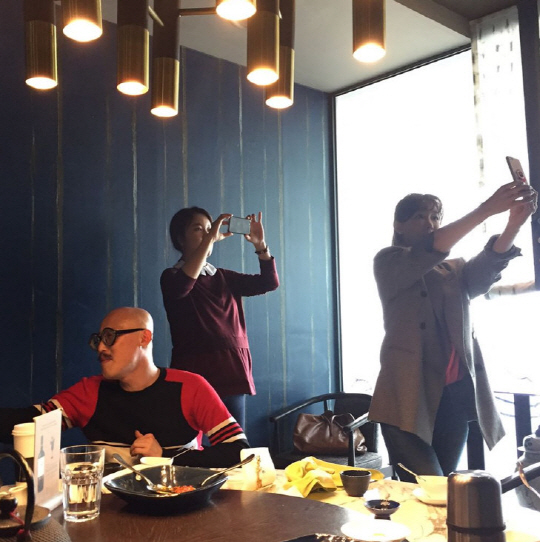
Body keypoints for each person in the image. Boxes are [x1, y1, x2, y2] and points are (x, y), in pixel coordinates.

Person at [368, 180, 538, 482]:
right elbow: (430, 248)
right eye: (419, 216)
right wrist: (487, 209)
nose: (430, 223)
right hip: (405, 395)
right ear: (399, 225)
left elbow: (485, 269)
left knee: (445, 487)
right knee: (427, 487)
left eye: (435, 217)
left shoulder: (452, 269)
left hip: (452, 395)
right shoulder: (388, 261)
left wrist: (514, 223)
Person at [0, 307, 249, 467]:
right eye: (98, 340)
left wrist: (164, 458)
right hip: (108, 513)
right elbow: (26, 424)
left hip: (180, 506)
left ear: (144, 337)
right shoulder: (89, 391)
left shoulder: (189, 387)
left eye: (110, 337)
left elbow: (238, 452)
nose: (101, 348)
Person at [160, 207, 279, 429]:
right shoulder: (171, 276)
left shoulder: (223, 277)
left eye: (210, 229)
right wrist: (209, 240)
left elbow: (269, 282)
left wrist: (260, 245)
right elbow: (183, 286)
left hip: (233, 370)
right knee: (190, 443)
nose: (209, 234)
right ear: (180, 238)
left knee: (234, 443)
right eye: (199, 229)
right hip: (194, 373)